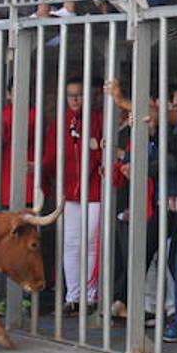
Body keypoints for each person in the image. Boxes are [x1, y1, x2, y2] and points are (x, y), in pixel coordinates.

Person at [42, 77, 105, 311]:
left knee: (90, 243)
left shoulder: (99, 119)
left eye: (79, 94)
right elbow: (49, 157)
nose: (75, 99)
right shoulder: (60, 123)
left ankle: (90, 296)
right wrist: (44, 184)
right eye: (71, 95)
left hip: (95, 191)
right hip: (69, 192)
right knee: (70, 243)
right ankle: (72, 296)